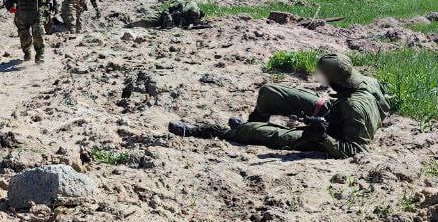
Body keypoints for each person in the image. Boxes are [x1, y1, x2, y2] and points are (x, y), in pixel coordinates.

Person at [168, 53, 392, 158]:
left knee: (249, 130)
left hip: (330, 136)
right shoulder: (366, 82)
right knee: (270, 92)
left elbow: (355, 150)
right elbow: (383, 107)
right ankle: (252, 129)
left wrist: (322, 136)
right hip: (337, 111)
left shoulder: (354, 107)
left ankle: (224, 132)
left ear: (334, 79)